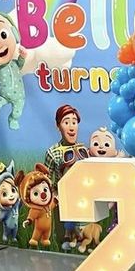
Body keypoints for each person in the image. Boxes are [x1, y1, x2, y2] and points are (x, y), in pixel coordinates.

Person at [44, 104, 89, 248]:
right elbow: (48, 181)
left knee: (86, 239)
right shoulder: (53, 152)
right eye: (66, 122)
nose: (71, 127)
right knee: (66, 241)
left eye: (74, 122)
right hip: (64, 203)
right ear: (58, 126)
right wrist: (56, 198)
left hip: (84, 201)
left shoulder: (84, 149)